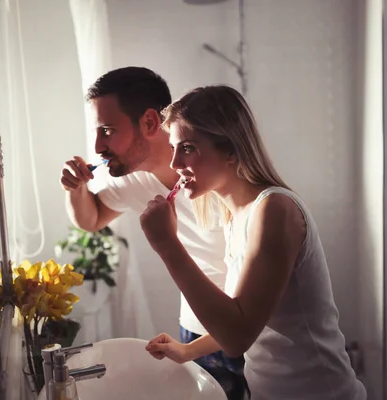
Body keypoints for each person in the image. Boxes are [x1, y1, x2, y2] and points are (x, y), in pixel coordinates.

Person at [139, 85, 367, 400]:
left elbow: (237, 337)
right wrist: (187, 350)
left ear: (231, 149)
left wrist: (167, 246)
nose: (175, 163)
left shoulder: (274, 209)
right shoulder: (237, 217)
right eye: (174, 148)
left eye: (187, 147)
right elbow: (247, 315)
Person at [60, 67, 248, 399]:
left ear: (149, 122)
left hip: (239, 330)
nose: (97, 145)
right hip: (191, 328)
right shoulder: (133, 181)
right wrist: (76, 189)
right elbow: (91, 220)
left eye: (107, 130)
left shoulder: (217, 178)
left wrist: (165, 242)